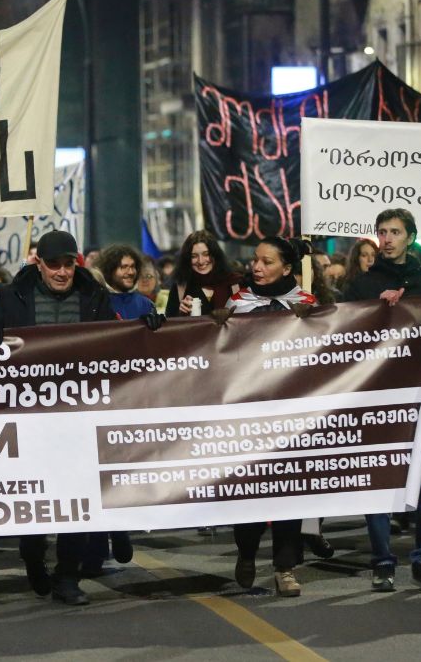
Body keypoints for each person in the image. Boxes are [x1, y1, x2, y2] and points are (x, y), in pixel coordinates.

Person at [0, 230, 161, 606]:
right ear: (38, 263)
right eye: (54, 264)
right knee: (33, 498)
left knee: (76, 497)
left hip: (77, 416)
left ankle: (67, 576)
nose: (62, 272)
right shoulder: (9, 299)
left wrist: (148, 330)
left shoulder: (94, 299)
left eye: (68, 264)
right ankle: (32, 556)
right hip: (27, 418)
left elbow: (116, 342)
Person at [341, 208, 421, 593]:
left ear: (410, 237)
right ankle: (382, 559)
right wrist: (377, 311)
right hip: (378, 400)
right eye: (382, 231)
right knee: (379, 480)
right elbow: (343, 340)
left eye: (395, 231)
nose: (387, 238)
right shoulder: (361, 286)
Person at [225, 237, 316, 598]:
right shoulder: (238, 303)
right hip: (247, 413)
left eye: (266, 262)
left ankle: (285, 568)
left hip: (290, 414)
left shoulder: (307, 304)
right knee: (249, 491)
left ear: (287, 268)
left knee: (288, 492)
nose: (257, 267)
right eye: (255, 261)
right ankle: (246, 553)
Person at [165, 231, 242, 317]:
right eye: (194, 256)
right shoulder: (180, 286)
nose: (200, 261)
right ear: (187, 259)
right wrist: (180, 313)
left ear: (215, 255)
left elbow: (246, 322)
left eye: (206, 254)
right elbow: (170, 325)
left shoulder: (233, 283)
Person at [98, 244, 156, 320]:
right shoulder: (98, 303)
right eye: (124, 267)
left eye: (132, 266)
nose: (131, 272)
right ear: (110, 270)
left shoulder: (146, 304)